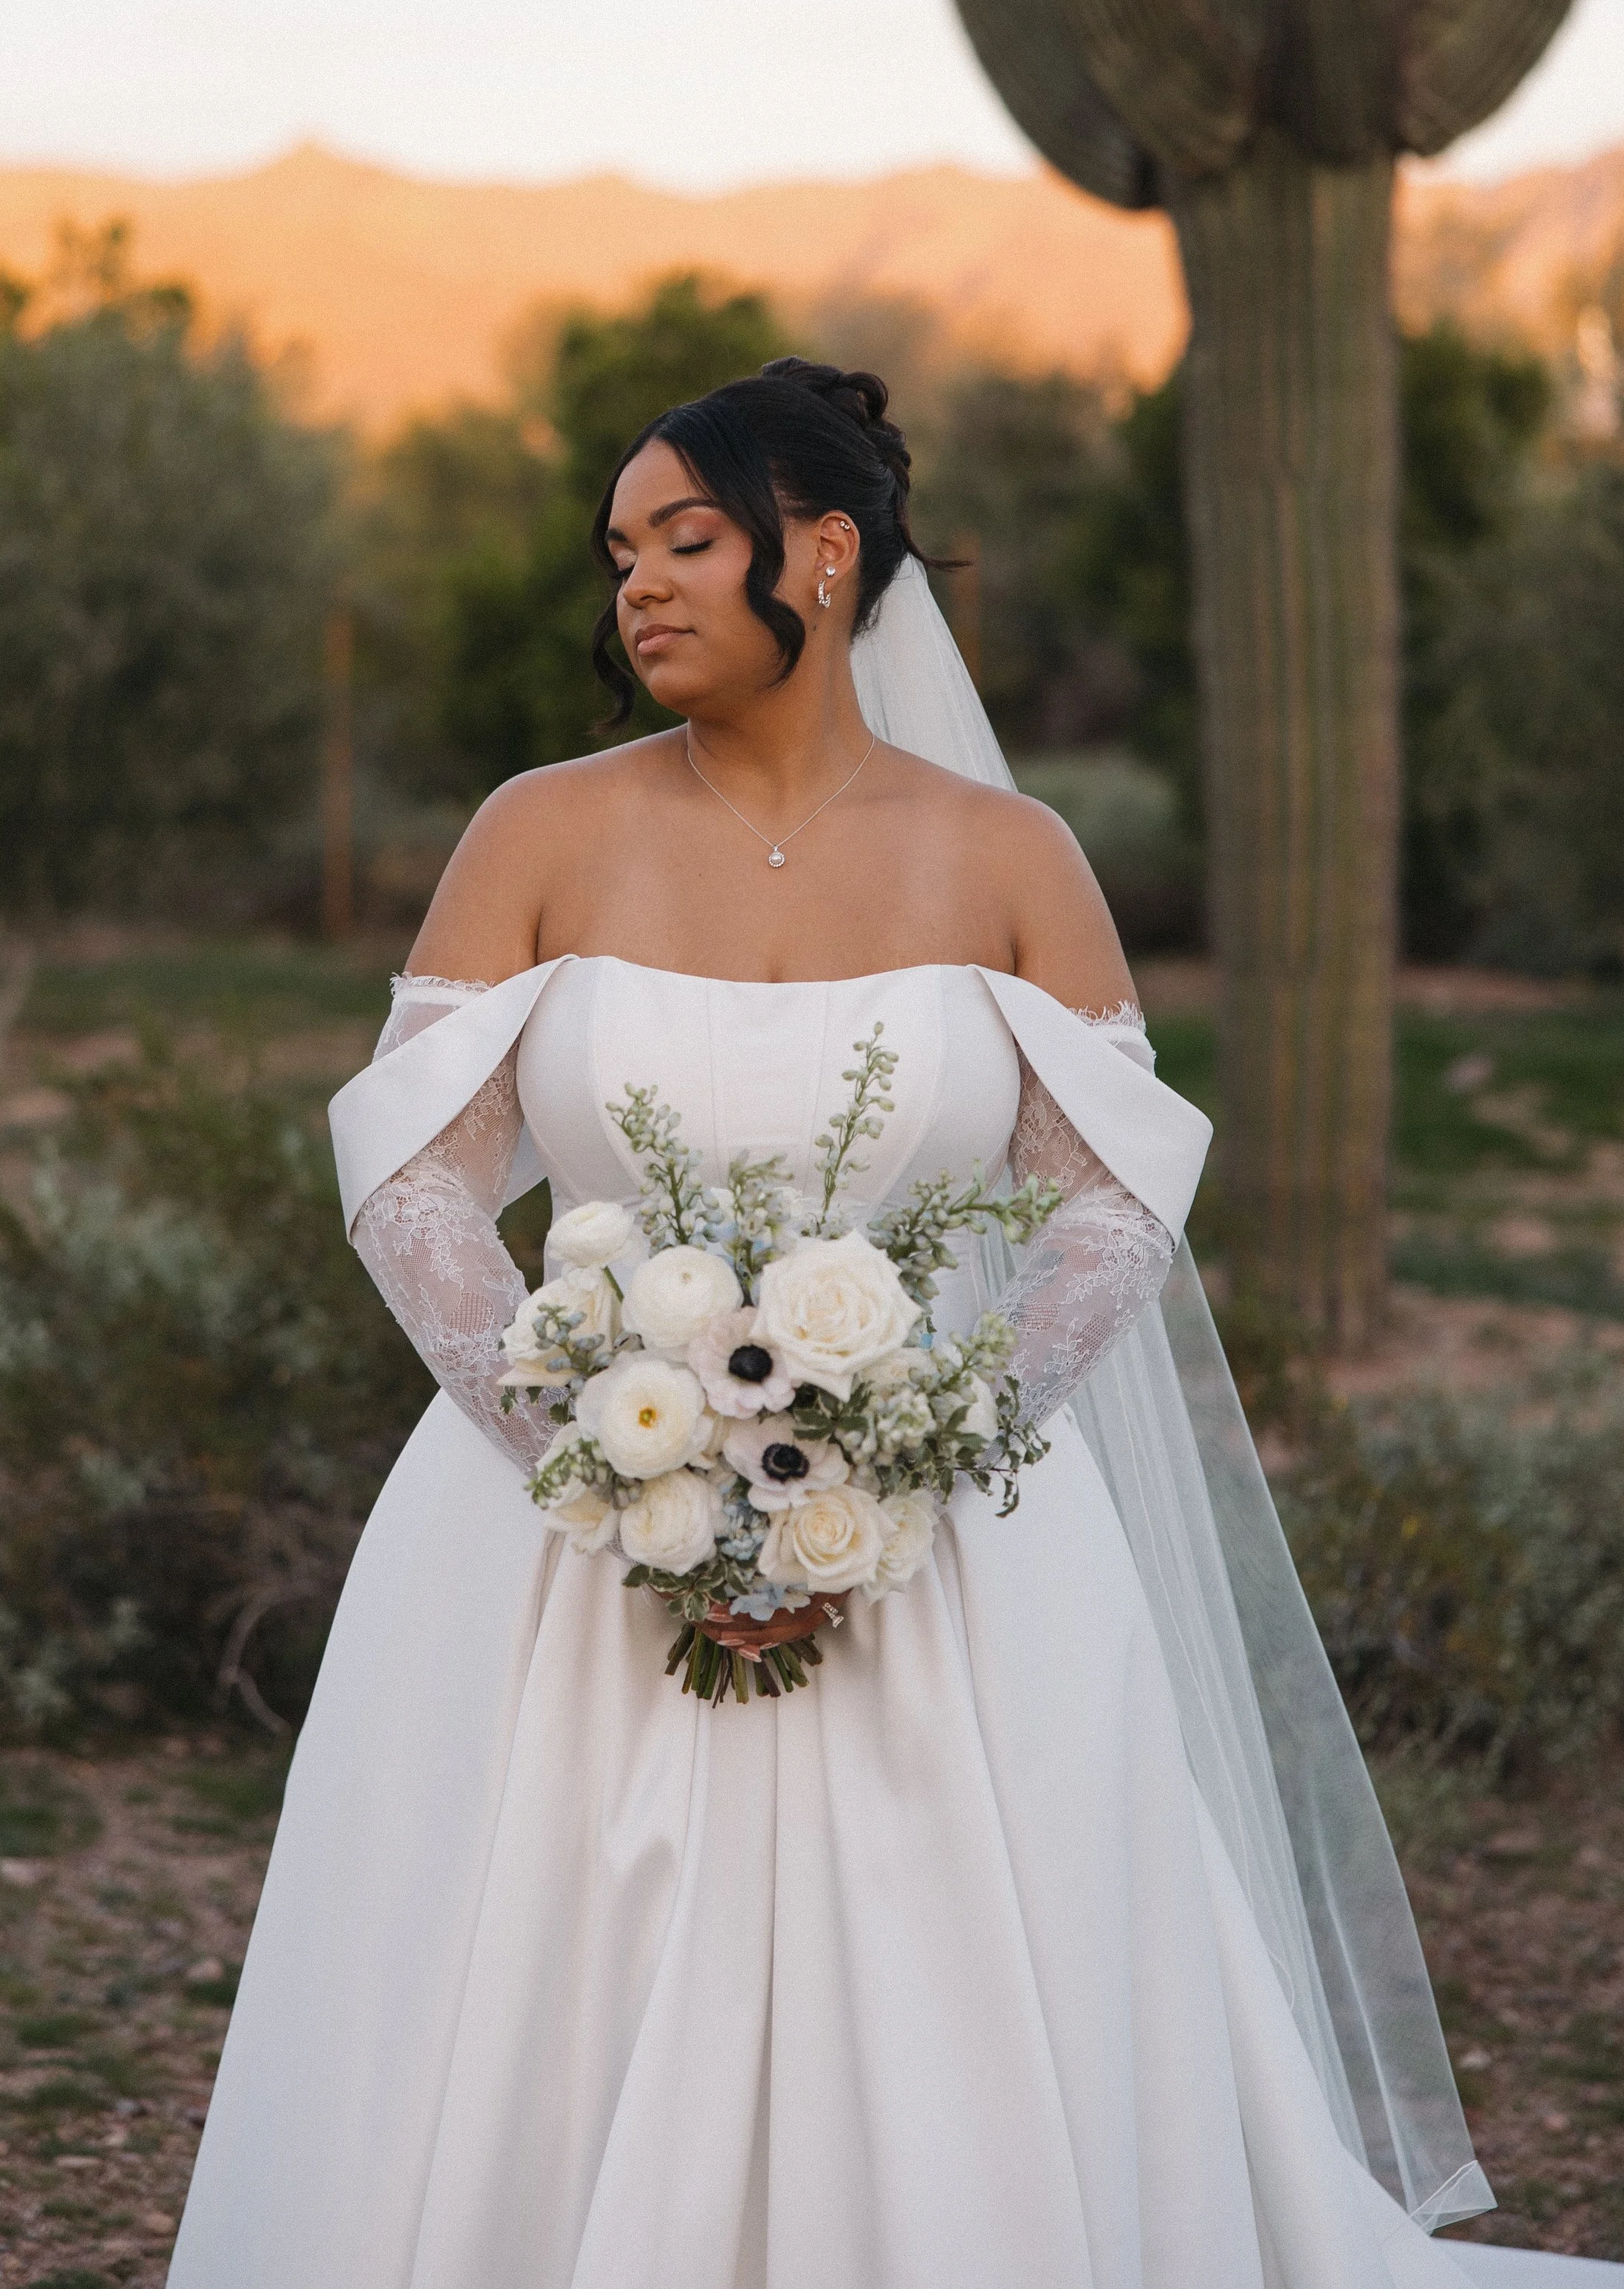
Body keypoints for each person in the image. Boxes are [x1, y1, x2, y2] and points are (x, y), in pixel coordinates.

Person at [167, 358, 1497, 2289]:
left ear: (823, 546)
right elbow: (416, 1176)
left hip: (954, 1550)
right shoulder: (537, 828)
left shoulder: (1009, 857)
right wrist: (591, 1455)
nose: (638, 586)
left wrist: (922, 1449)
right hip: (555, 1536)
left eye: (685, 541)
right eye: (619, 552)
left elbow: (1107, 1197)